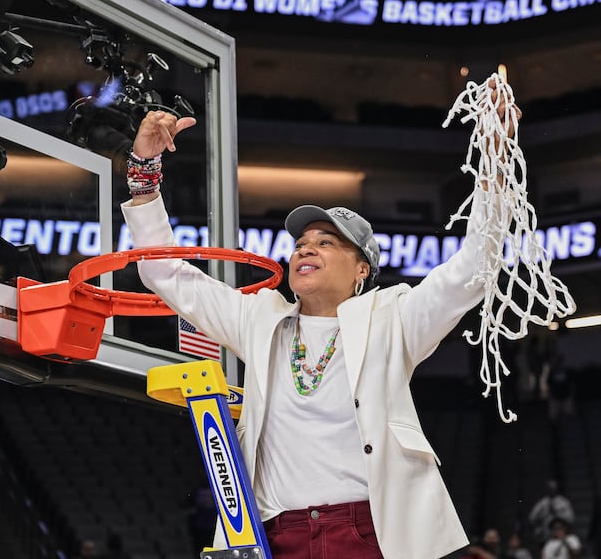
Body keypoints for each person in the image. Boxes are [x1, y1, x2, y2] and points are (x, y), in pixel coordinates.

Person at [121, 76, 521, 559]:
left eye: (326, 242)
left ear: (362, 270)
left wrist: (496, 163)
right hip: (273, 537)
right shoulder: (258, 317)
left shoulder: (393, 318)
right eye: (301, 244)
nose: (306, 248)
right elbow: (166, 272)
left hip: (372, 533)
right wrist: (144, 170)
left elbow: (472, 269)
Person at [528, 480, 576, 545]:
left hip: (561, 536)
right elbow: (532, 518)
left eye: (553, 488)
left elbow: (571, 518)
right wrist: (539, 525)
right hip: (546, 536)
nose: (551, 489)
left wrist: (558, 515)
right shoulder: (542, 503)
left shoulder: (563, 502)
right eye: (549, 487)